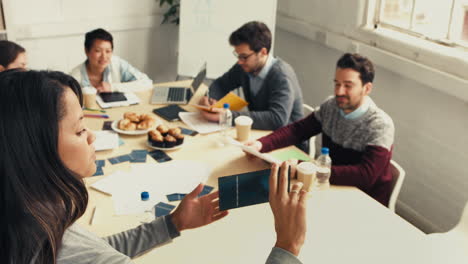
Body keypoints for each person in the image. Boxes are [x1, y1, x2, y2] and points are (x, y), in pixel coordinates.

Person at [0, 69, 307, 263]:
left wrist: (171, 224)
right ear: (34, 149)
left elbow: (93, 248)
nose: (92, 135)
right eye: (80, 129)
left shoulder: (29, 219)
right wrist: (287, 245)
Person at [246, 53, 395, 206]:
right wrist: (260, 145)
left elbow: (365, 175)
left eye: (348, 85)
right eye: (337, 83)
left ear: (367, 88)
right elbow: (298, 130)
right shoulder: (331, 106)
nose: (339, 91)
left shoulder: (380, 125)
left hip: (364, 202)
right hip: (329, 188)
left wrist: (305, 169)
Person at [199, 21, 307, 151]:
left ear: (263, 52)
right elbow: (221, 84)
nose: (239, 61)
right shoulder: (245, 67)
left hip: (288, 146)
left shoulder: (281, 76)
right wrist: (210, 98)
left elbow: (277, 119)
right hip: (259, 137)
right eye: (238, 55)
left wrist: (228, 116)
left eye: (244, 56)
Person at [70, 28, 152, 93]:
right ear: (87, 51)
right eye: (98, 51)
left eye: (108, 51)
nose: (104, 56)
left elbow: (147, 83)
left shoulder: (117, 64)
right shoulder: (74, 77)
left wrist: (112, 87)